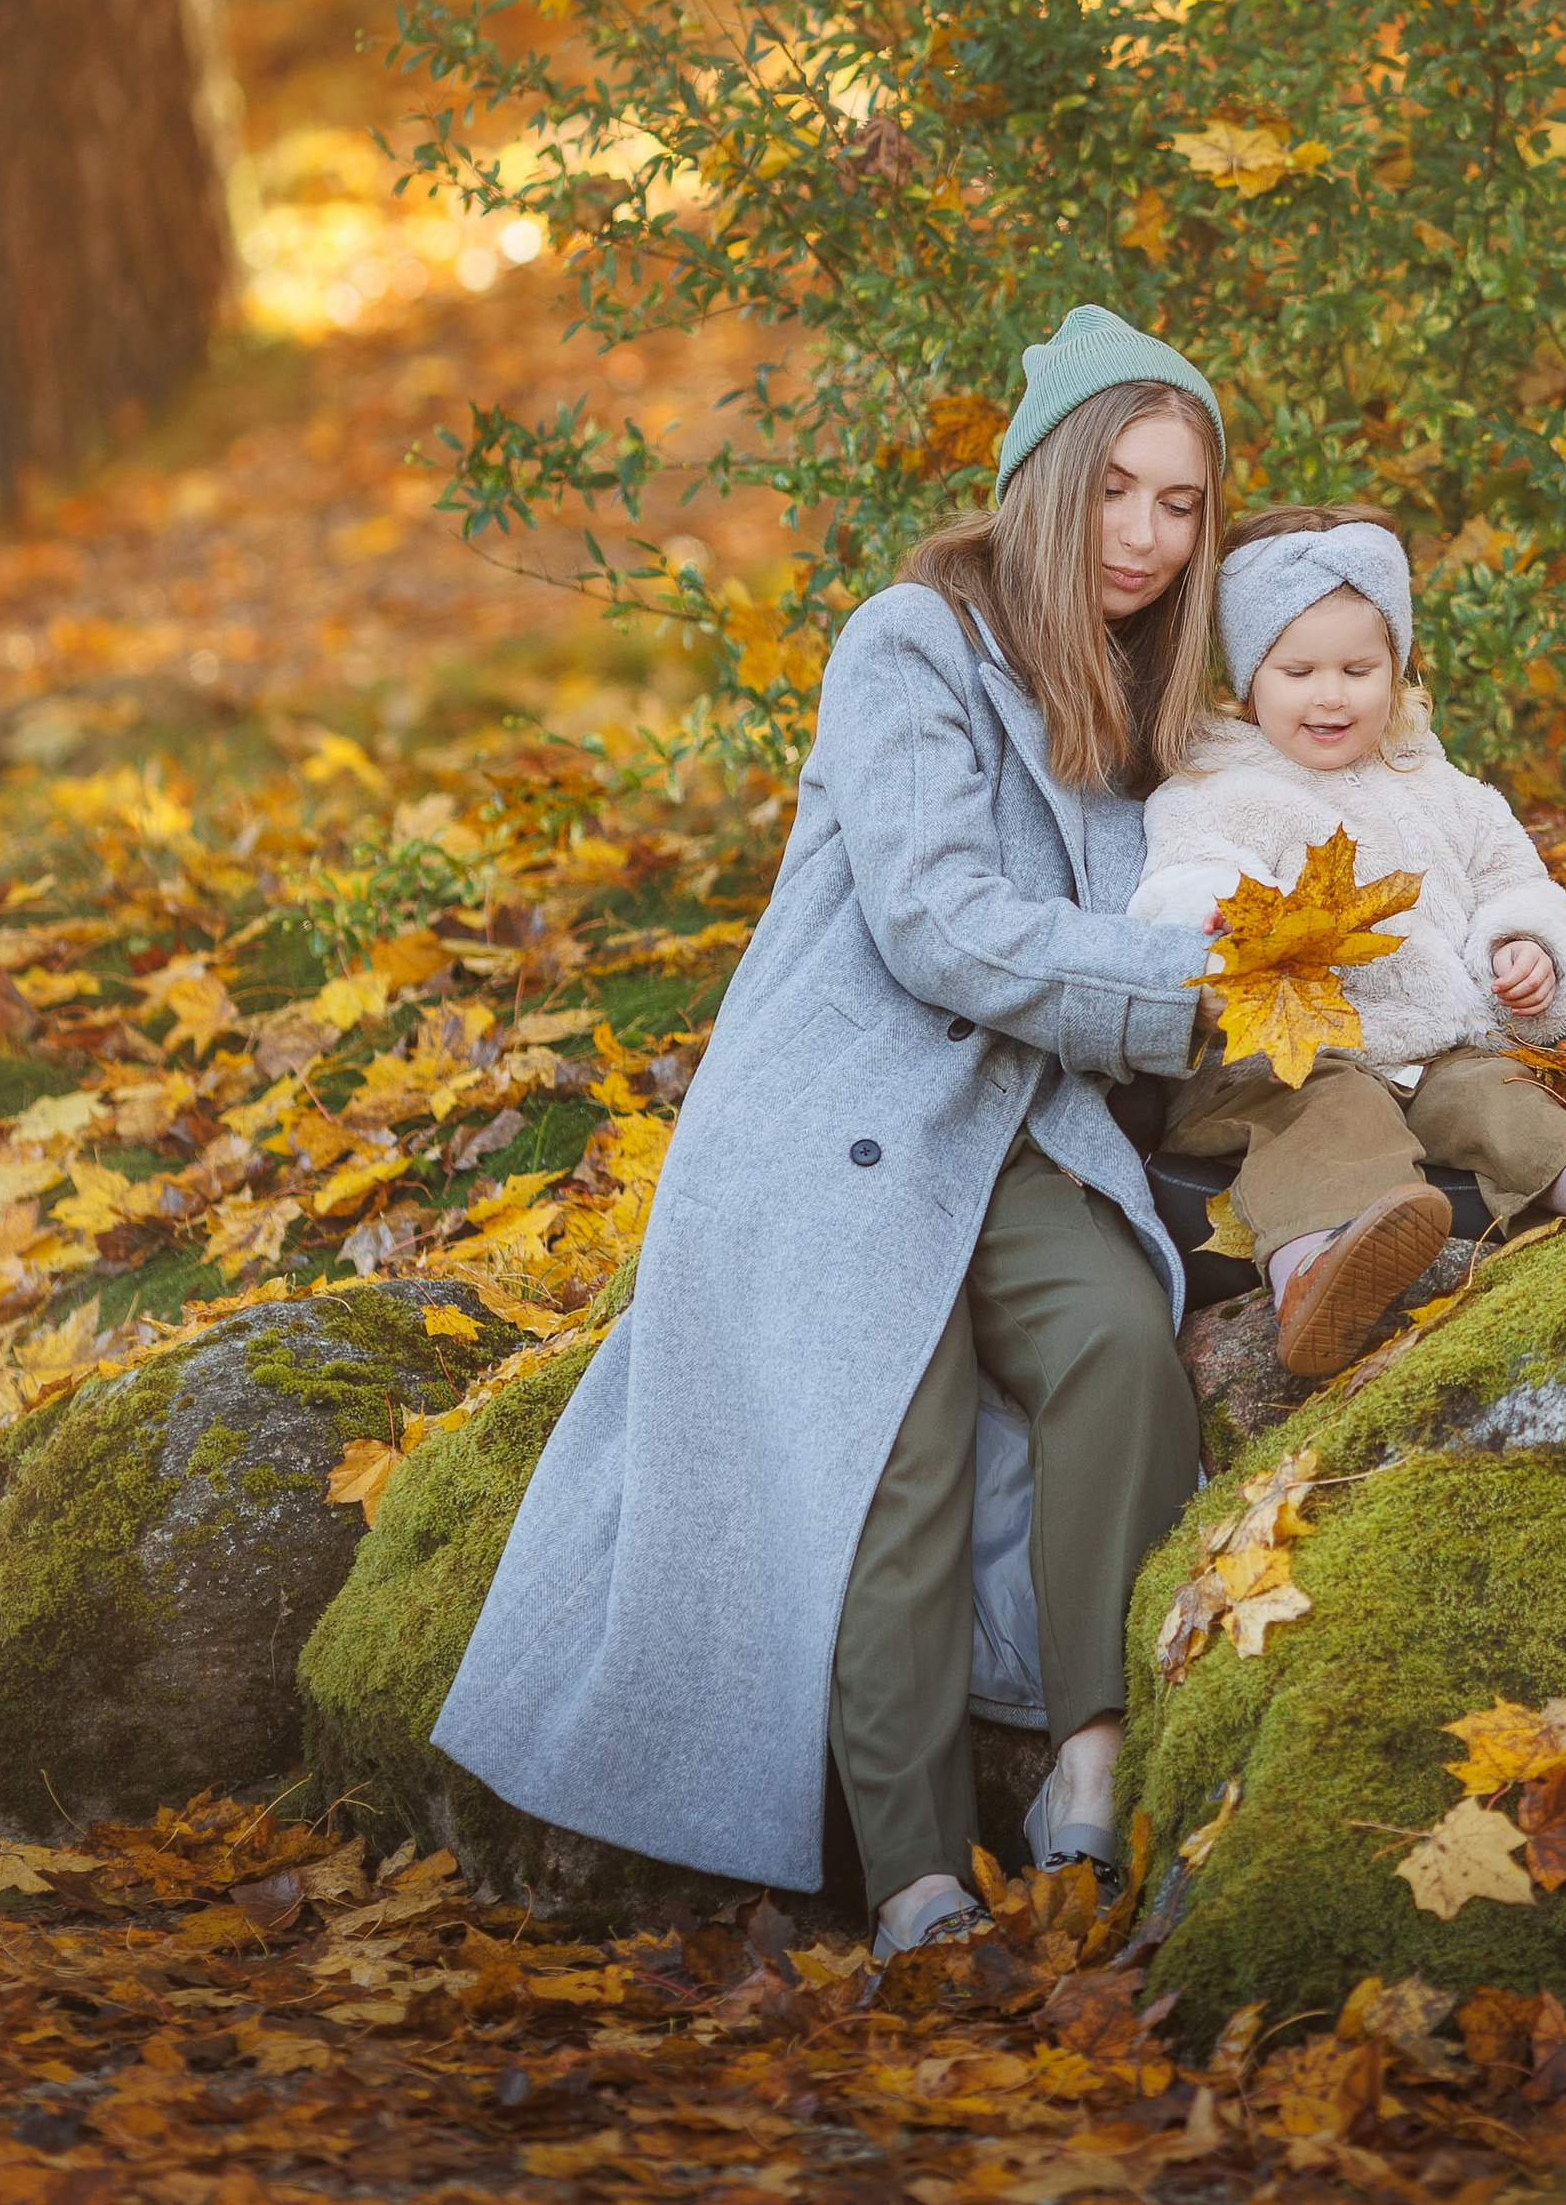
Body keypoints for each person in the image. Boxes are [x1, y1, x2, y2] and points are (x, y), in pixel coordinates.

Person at [432, 304, 1228, 1964]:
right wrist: (1195, 986)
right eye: (1119, 493)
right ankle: (917, 1872)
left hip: (1017, 1129)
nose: (1148, 537)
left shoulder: (1151, 698)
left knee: (1113, 1341)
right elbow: (941, 922)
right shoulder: (909, 642)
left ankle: (1086, 1765)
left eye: (1183, 504)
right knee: (895, 1449)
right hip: (835, 1135)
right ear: (1045, 480)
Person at [1132, 505, 1566, 1378]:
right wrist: (1214, 919)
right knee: (1329, 1118)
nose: (1331, 695)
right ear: (1247, 679)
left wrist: (1522, 943)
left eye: (1359, 668)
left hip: (1431, 1048)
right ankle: (1321, 1272)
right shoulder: (1221, 784)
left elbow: (1511, 874)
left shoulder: (1435, 781)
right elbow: (1185, 872)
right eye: (1297, 670)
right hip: (1285, 1059)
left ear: (1399, 669)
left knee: (1491, 1093)